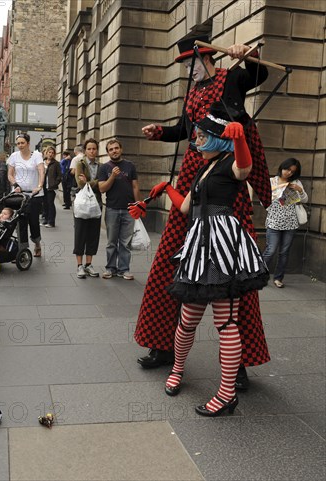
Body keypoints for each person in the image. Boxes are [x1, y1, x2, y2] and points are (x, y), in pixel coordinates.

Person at [132, 35, 272, 386]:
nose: (186, 69)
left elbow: (259, 76)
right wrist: (161, 132)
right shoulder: (191, 92)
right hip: (194, 177)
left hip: (226, 180)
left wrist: (249, 55)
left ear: (205, 57)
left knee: (233, 275)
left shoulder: (231, 77)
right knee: (168, 263)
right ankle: (162, 346)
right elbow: (184, 129)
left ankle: (238, 363)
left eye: (189, 63)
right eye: (183, 65)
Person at [263, 158, 308, 288]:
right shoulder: (272, 181)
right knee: (270, 250)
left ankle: (278, 278)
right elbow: (263, 201)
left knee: (284, 251)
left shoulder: (296, 182)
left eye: (292, 171)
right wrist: (275, 197)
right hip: (274, 221)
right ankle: (257, 275)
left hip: (291, 222)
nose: (289, 173)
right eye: (287, 169)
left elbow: (305, 200)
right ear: (282, 167)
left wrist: (300, 190)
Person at [98, 138, 140, 279]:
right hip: (112, 209)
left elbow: (135, 186)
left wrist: (138, 204)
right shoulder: (104, 168)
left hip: (129, 209)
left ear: (121, 149)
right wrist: (113, 177)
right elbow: (102, 188)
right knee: (111, 242)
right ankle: (110, 268)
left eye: (116, 148)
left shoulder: (130, 166)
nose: (114, 151)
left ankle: (124, 269)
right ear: (108, 152)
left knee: (125, 242)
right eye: (111, 149)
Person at [7, 133, 45, 257]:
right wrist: (15, 184)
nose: (20, 145)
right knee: (21, 222)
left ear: (28, 143)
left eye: (22, 143)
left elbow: (41, 171)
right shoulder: (14, 156)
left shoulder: (37, 156)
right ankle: (22, 250)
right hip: (19, 194)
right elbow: (10, 174)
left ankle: (37, 243)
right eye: (18, 143)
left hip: (34, 195)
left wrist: (39, 186)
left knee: (33, 222)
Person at [72, 138, 102, 279]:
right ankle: (79, 266)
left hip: (96, 204)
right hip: (82, 204)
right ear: (85, 151)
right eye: (89, 149)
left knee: (93, 235)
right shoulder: (80, 163)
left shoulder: (101, 166)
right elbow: (80, 183)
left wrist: (90, 182)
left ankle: (89, 264)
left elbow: (102, 184)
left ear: (97, 150)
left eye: (94, 149)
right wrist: (95, 183)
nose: (92, 151)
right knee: (80, 234)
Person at [42, 146, 61, 228]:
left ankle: (51, 221)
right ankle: (45, 220)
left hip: (51, 187)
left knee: (50, 204)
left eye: (52, 153)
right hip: (43, 186)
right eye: (49, 152)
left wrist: (55, 183)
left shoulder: (56, 163)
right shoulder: (42, 162)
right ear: (46, 153)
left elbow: (59, 176)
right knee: (44, 204)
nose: (51, 154)